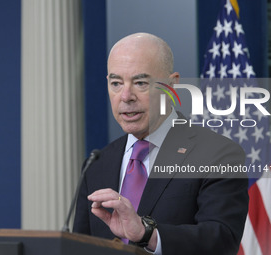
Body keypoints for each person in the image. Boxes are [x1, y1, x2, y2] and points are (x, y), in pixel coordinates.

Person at [73, 32, 248, 255]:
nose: (126, 96)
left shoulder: (218, 154)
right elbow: (78, 246)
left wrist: (148, 234)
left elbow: (221, 240)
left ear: (172, 84)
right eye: (116, 83)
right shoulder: (96, 164)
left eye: (140, 83)